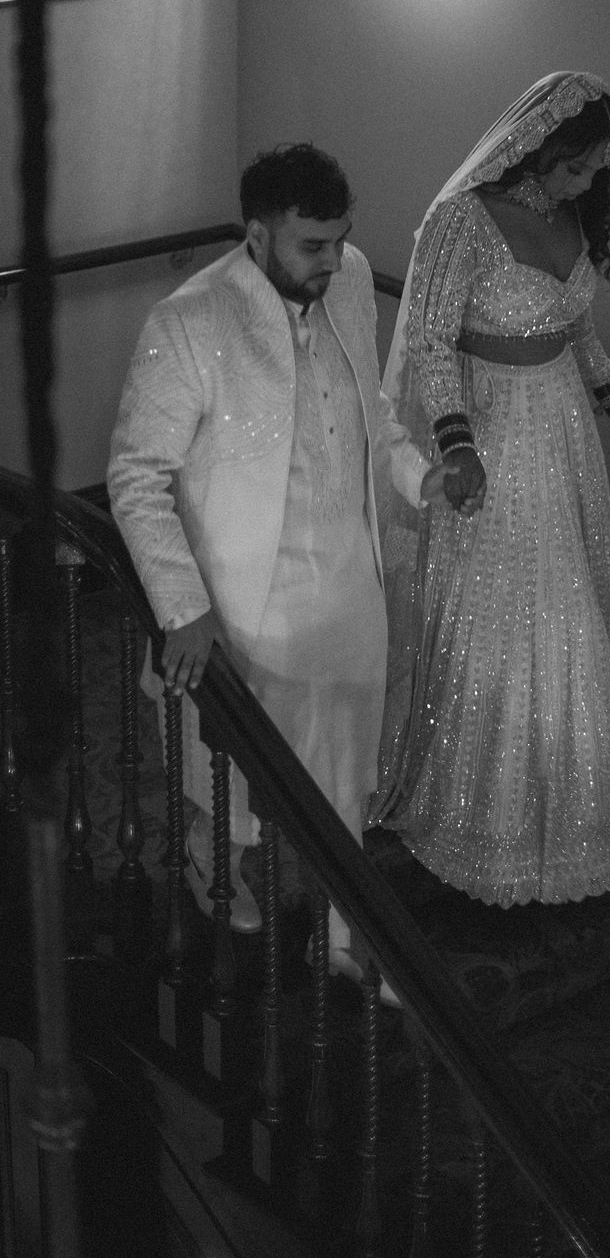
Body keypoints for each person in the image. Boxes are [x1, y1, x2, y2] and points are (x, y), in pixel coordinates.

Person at [108, 143, 456, 987]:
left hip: (347, 577)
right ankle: (210, 851)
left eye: (341, 239)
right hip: (247, 592)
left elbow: (373, 413)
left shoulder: (349, 281)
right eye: (313, 245)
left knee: (344, 765)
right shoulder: (189, 320)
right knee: (239, 767)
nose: (334, 261)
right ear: (258, 236)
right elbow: (136, 476)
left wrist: (422, 477)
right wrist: (183, 607)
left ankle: (341, 933)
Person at [373, 71, 610, 906]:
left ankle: (575, 826)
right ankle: (481, 822)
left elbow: (576, 329)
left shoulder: (571, 218)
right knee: (497, 611)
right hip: (490, 427)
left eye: (595, 172)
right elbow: (430, 342)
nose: (581, 185)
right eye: (574, 168)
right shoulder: (461, 221)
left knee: (570, 607)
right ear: (539, 146)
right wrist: (456, 444)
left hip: (562, 428)